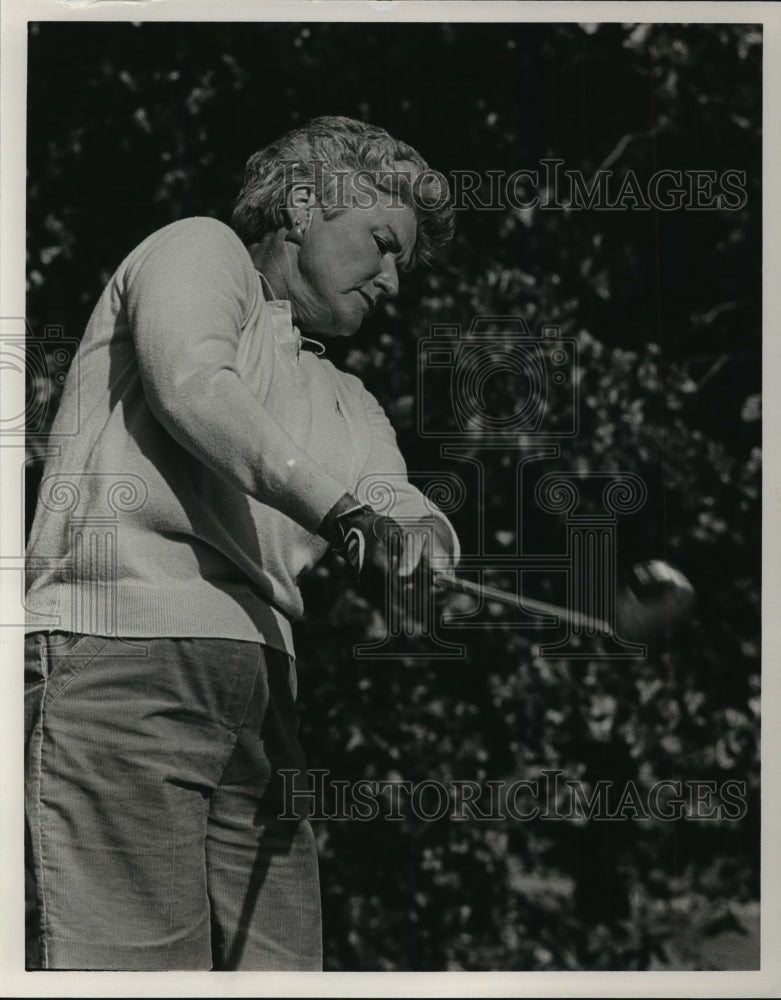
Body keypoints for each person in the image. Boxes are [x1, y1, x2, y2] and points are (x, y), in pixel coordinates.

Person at [23, 115, 460, 971]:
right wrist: (347, 517)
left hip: (264, 689)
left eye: (405, 260)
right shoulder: (201, 249)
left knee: (282, 975)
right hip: (122, 654)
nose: (394, 280)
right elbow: (193, 384)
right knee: (129, 974)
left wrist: (424, 552)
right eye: (382, 242)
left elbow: (397, 503)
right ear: (303, 204)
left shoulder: (349, 398)